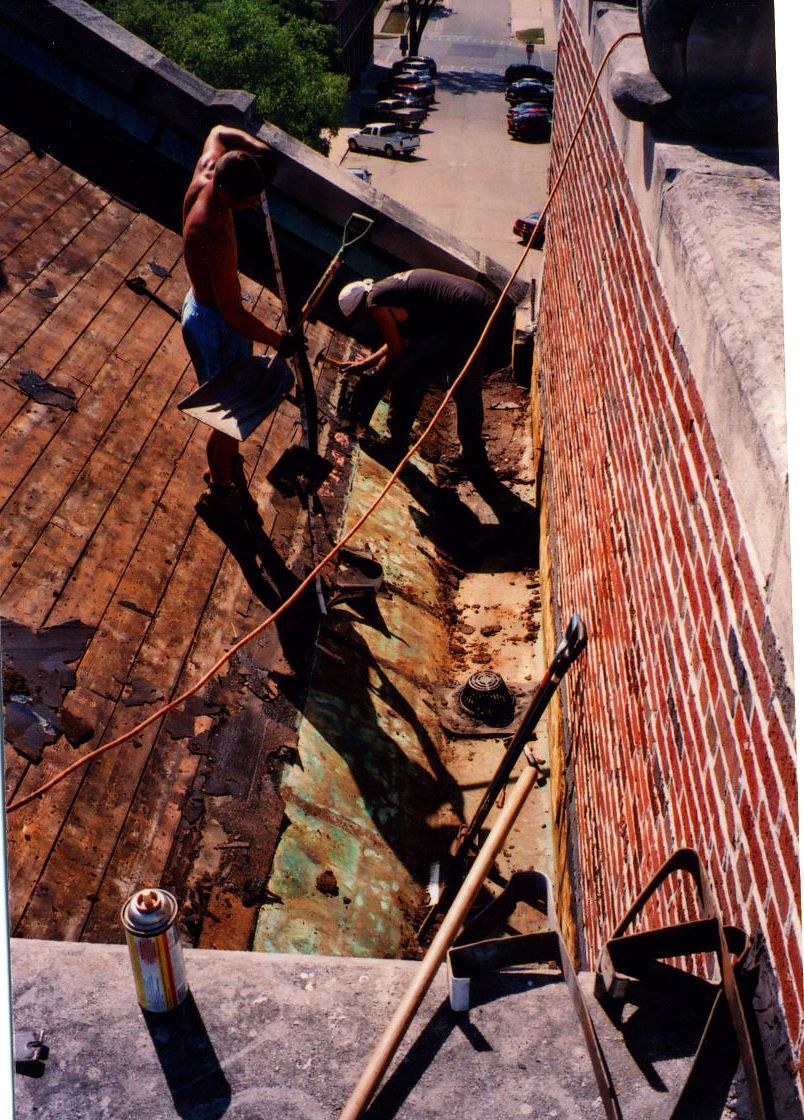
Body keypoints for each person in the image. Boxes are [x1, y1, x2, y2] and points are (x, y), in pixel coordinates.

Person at [181, 125, 291, 509]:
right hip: (215, 324)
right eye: (247, 202)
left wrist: (261, 151)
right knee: (230, 415)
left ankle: (224, 466)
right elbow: (234, 316)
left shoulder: (211, 167)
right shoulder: (214, 235)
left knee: (230, 404)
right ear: (227, 193)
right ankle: (220, 488)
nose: (250, 208)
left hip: (203, 307)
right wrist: (278, 340)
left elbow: (217, 129)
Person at [336, 268, 511, 467]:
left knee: (409, 377)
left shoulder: (375, 305)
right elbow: (400, 338)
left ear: (360, 309)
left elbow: (397, 350)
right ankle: (473, 455)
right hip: (480, 304)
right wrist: (364, 364)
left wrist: (376, 376)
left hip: (470, 317)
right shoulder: (385, 290)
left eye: (358, 319)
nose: (362, 323)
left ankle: (396, 446)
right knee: (458, 384)